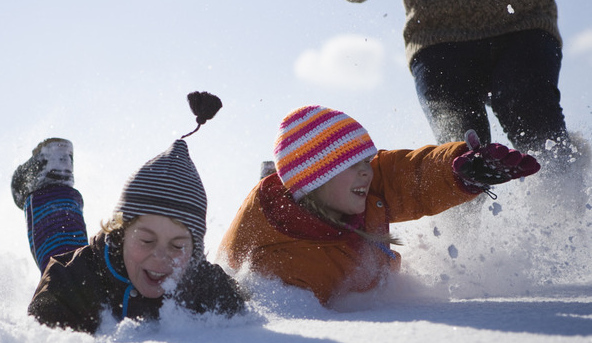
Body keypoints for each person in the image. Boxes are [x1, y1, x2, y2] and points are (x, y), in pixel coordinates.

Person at [258, 0, 580, 172]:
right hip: (438, 40)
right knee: (462, 163)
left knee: (540, 130)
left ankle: (576, 228)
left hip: (523, 27)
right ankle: (468, 245)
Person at [217, 105, 539, 307]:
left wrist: (459, 170)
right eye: (350, 165)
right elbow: (268, 310)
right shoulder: (283, 263)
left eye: (366, 162)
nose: (366, 172)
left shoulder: (355, 189)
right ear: (313, 180)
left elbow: (407, 176)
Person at [11, 93, 247, 334]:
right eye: (146, 240)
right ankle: (50, 185)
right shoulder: (73, 280)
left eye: (177, 246)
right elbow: (43, 333)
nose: (161, 257)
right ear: (120, 234)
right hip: (87, 271)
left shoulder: (203, 283)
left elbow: (243, 309)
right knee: (63, 247)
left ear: (195, 253)